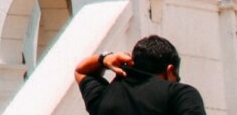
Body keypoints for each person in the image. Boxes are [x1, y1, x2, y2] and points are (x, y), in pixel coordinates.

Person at [74, 35, 205, 114]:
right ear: (170, 70)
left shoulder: (103, 97)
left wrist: (104, 59)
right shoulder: (180, 94)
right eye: (176, 78)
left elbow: (81, 71)